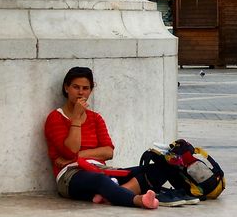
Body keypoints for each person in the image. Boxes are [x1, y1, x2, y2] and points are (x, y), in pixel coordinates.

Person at [44, 66, 194, 209]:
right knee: (101, 181)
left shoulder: (95, 118)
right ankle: (137, 200)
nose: (81, 93)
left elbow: (108, 151)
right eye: (76, 87)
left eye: (86, 88)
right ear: (66, 88)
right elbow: (70, 151)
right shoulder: (55, 118)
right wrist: (76, 119)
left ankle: (113, 193)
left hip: (100, 169)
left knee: (159, 168)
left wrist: (78, 156)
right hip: (71, 175)